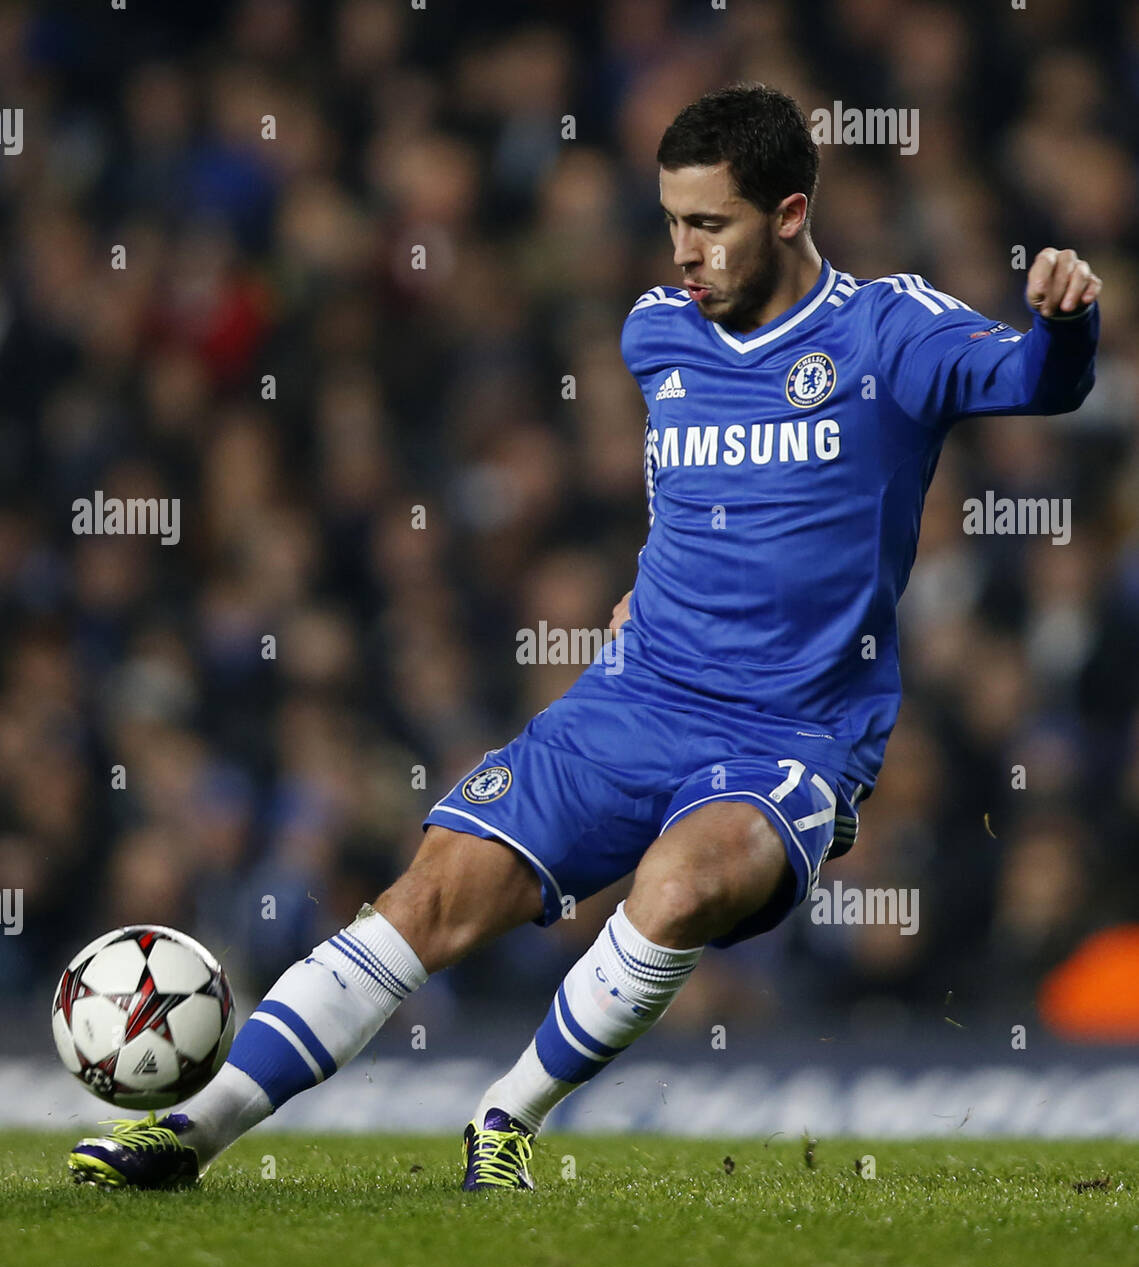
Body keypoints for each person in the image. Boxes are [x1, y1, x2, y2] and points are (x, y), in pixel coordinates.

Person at [69, 83, 1101, 1191]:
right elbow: (701, 508)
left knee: (683, 880)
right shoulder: (654, 336)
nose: (683, 252)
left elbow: (1039, 381)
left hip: (789, 734)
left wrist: (1064, 317)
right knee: (429, 892)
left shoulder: (887, 331)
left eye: (710, 224)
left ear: (791, 213)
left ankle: (507, 1115)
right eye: (670, 221)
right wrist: (643, 601)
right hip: (635, 698)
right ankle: (192, 1132)